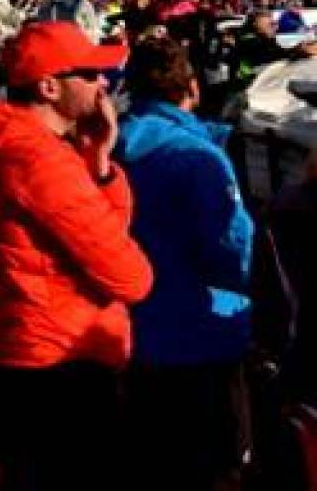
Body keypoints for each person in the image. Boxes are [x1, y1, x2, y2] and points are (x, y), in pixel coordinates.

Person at [0, 20, 154, 490]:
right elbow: (132, 278)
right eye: (89, 74)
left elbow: (104, 237)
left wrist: (99, 163)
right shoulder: (39, 159)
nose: (103, 83)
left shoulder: (2, 143)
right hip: (64, 362)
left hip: (23, 348)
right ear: (49, 87)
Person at [115, 36, 253, 490]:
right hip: (202, 334)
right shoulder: (198, 157)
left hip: (132, 334)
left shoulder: (106, 148)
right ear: (192, 87)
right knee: (217, 468)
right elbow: (232, 248)